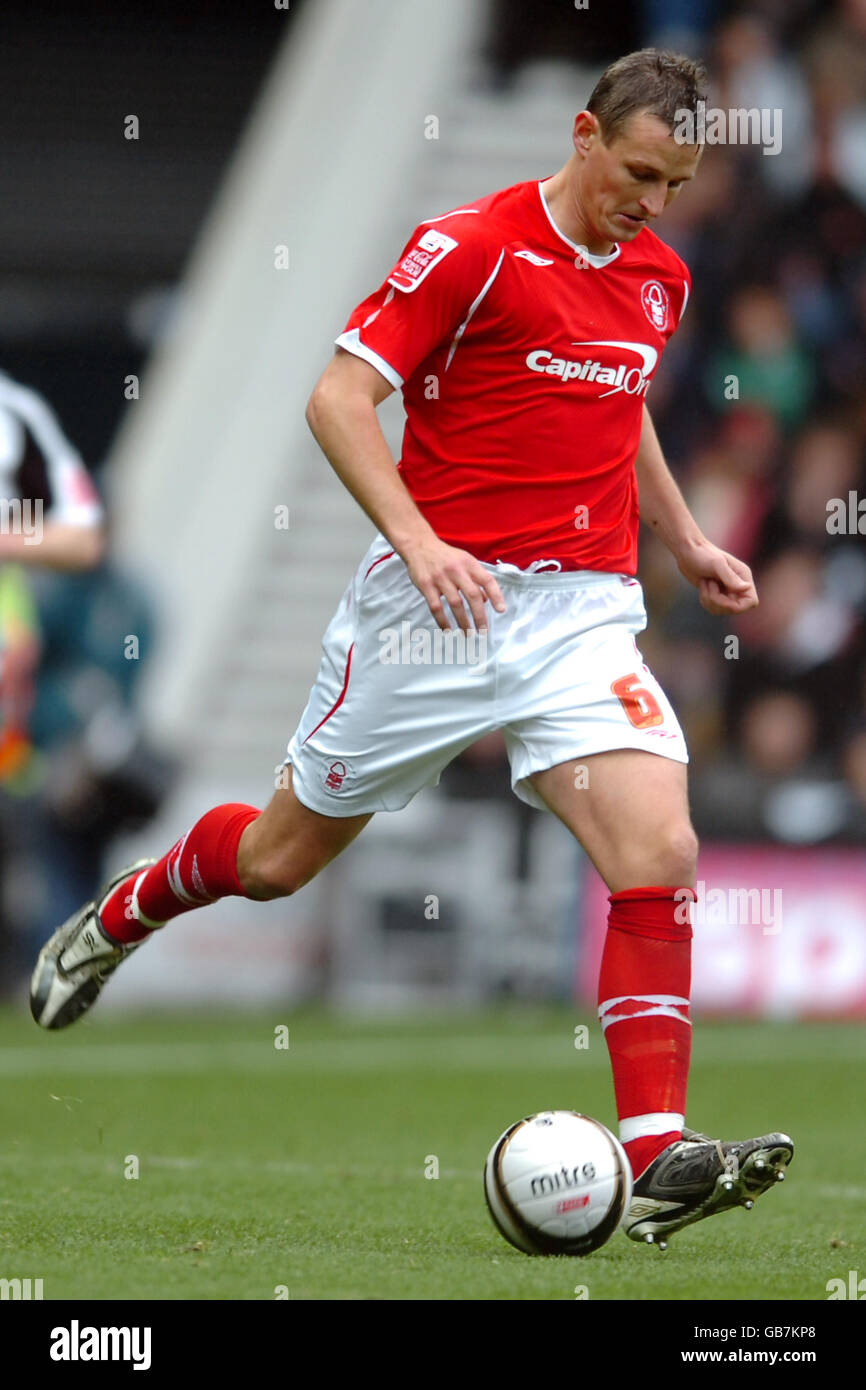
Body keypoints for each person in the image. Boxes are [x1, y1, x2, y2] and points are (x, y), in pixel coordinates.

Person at [31, 49, 792, 1250]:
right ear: (585, 133)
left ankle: (654, 1153)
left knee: (660, 845)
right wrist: (420, 539)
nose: (651, 202)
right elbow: (337, 398)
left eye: (677, 184)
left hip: (580, 612)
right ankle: (125, 908)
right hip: (431, 610)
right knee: (281, 859)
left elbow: (622, 397)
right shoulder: (469, 248)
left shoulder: (659, 275)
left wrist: (684, 535)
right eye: (639, 172)